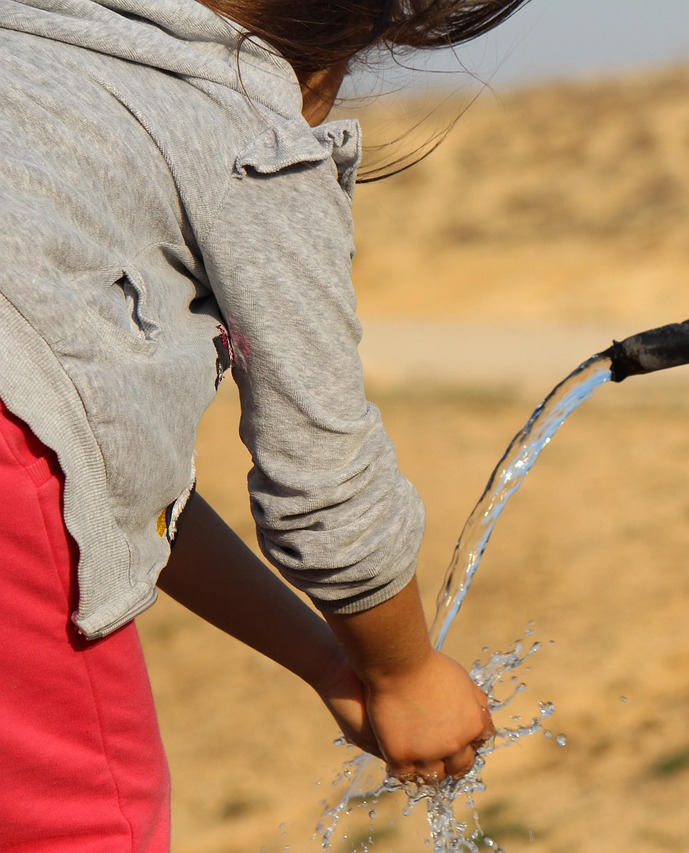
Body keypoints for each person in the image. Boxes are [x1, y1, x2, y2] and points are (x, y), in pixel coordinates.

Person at [0, 0, 528, 848]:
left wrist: (327, 661)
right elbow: (325, 483)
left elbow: (112, 491)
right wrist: (404, 671)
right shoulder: (250, 128)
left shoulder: (37, 49)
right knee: (87, 818)